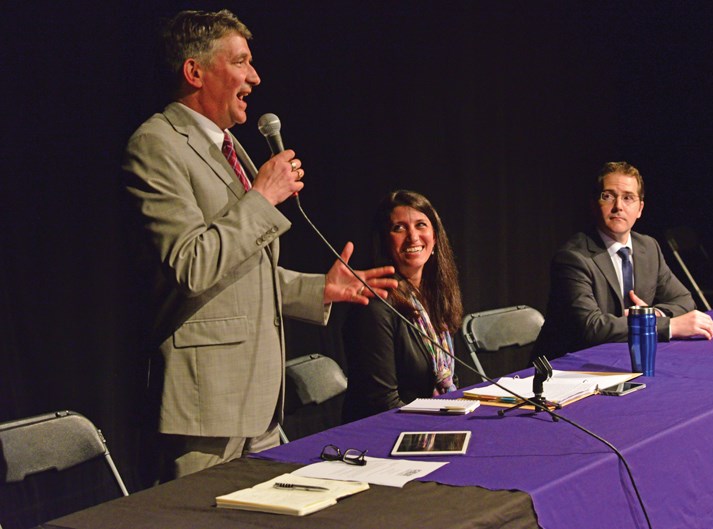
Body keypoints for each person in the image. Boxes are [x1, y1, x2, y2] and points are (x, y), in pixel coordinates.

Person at [122, 9, 396, 482]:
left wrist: (319, 289)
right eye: (241, 62)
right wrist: (262, 196)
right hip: (205, 408)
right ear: (195, 71)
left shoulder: (226, 146)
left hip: (259, 404)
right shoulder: (156, 145)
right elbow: (190, 266)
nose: (255, 76)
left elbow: (238, 274)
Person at [533, 161, 713, 360]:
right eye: (608, 196)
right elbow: (591, 328)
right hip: (570, 367)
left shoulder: (648, 247)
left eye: (628, 198)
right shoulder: (573, 258)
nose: (618, 206)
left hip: (625, 359)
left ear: (640, 209)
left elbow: (683, 300)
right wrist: (667, 325)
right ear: (595, 204)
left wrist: (650, 315)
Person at [342, 190, 464, 422]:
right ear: (384, 241)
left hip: (431, 420)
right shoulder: (373, 307)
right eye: (399, 228)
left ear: (435, 237)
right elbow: (382, 405)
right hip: (384, 436)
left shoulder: (434, 296)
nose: (413, 237)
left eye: (421, 225)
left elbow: (449, 379)